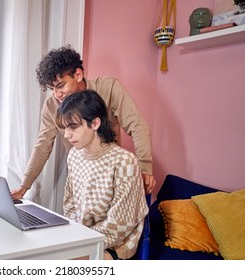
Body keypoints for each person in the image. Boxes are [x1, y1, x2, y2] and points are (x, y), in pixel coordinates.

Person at [11, 45, 155, 201]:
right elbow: (42, 146)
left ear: (78, 75)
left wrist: (145, 168)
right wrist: (23, 187)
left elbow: (137, 126)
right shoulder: (51, 106)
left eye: (61, 85)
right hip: (80, 179)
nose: (57, 94)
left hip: (111, 177)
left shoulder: (109, 87)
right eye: (52, 88)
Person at [56, 90, 148, 260]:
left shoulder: (124, 161)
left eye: (73, 127)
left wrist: (81, 241)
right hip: (83, 237)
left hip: (115, 245)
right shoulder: (74, 155)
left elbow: (120, 225)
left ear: (95, 123)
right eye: (65, 128)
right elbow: (69, 203)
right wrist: (75, 235)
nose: (67, 134)